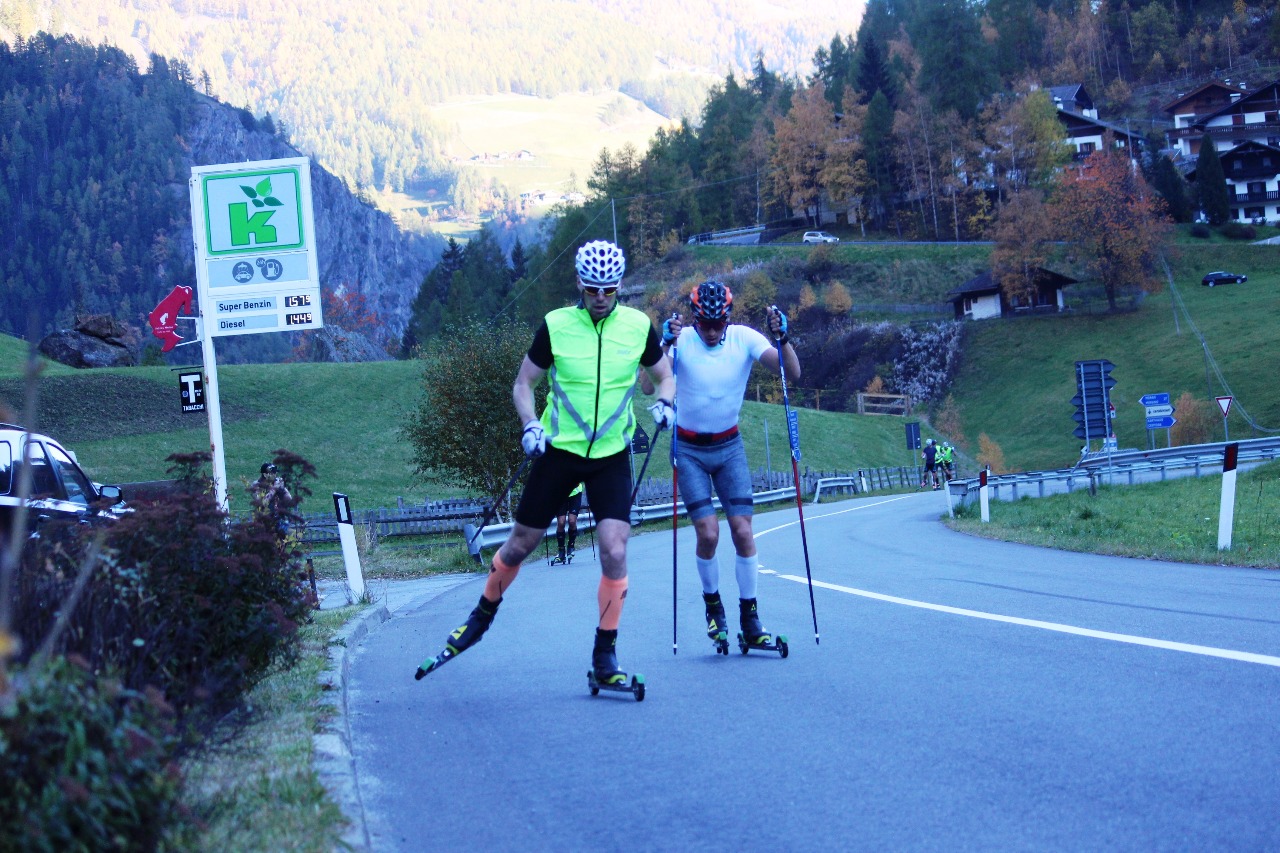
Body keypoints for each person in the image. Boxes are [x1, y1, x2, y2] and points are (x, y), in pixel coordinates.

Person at [426, 240, 675, 689]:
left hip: (610, 456)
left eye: (610, 290)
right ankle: (480, 617)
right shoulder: (556, 326)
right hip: (558, 451)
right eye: (593, 289)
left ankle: (605, 653)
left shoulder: (639, 326)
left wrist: (666, 403)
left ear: (619, 288)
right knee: (521, 543)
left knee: (615, 549)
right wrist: (529, 424)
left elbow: (665, 375)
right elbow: (524, 383)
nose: (601, 298)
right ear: (579, 284)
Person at [660, 281, 800, 652]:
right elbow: (648, 386)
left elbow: (791, 373)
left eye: (717, 324)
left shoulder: (743, 338)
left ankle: (750, 618)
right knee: (708, 534)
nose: (710, 331)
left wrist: (783, 338)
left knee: (742, 531)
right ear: (693, 319)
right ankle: (713, 607)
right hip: (688, 448)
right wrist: (662, 346)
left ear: (727, 318)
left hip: (729, 446)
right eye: (703, 323)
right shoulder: (683, 340)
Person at [250, 462, 293, 536]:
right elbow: (263, 503)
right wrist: (274, 489)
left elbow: (289, 499)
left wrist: (282, 488)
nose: (275, 475)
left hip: (278, 518)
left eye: (275, 473)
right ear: (265, 474)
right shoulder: (256, 485)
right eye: (272, 473)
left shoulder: (276, 482)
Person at [550, 482, 584, 565]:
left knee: (572, 521)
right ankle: (561, 552)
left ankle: (571, 546)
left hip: (575, 493)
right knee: (561, 522)